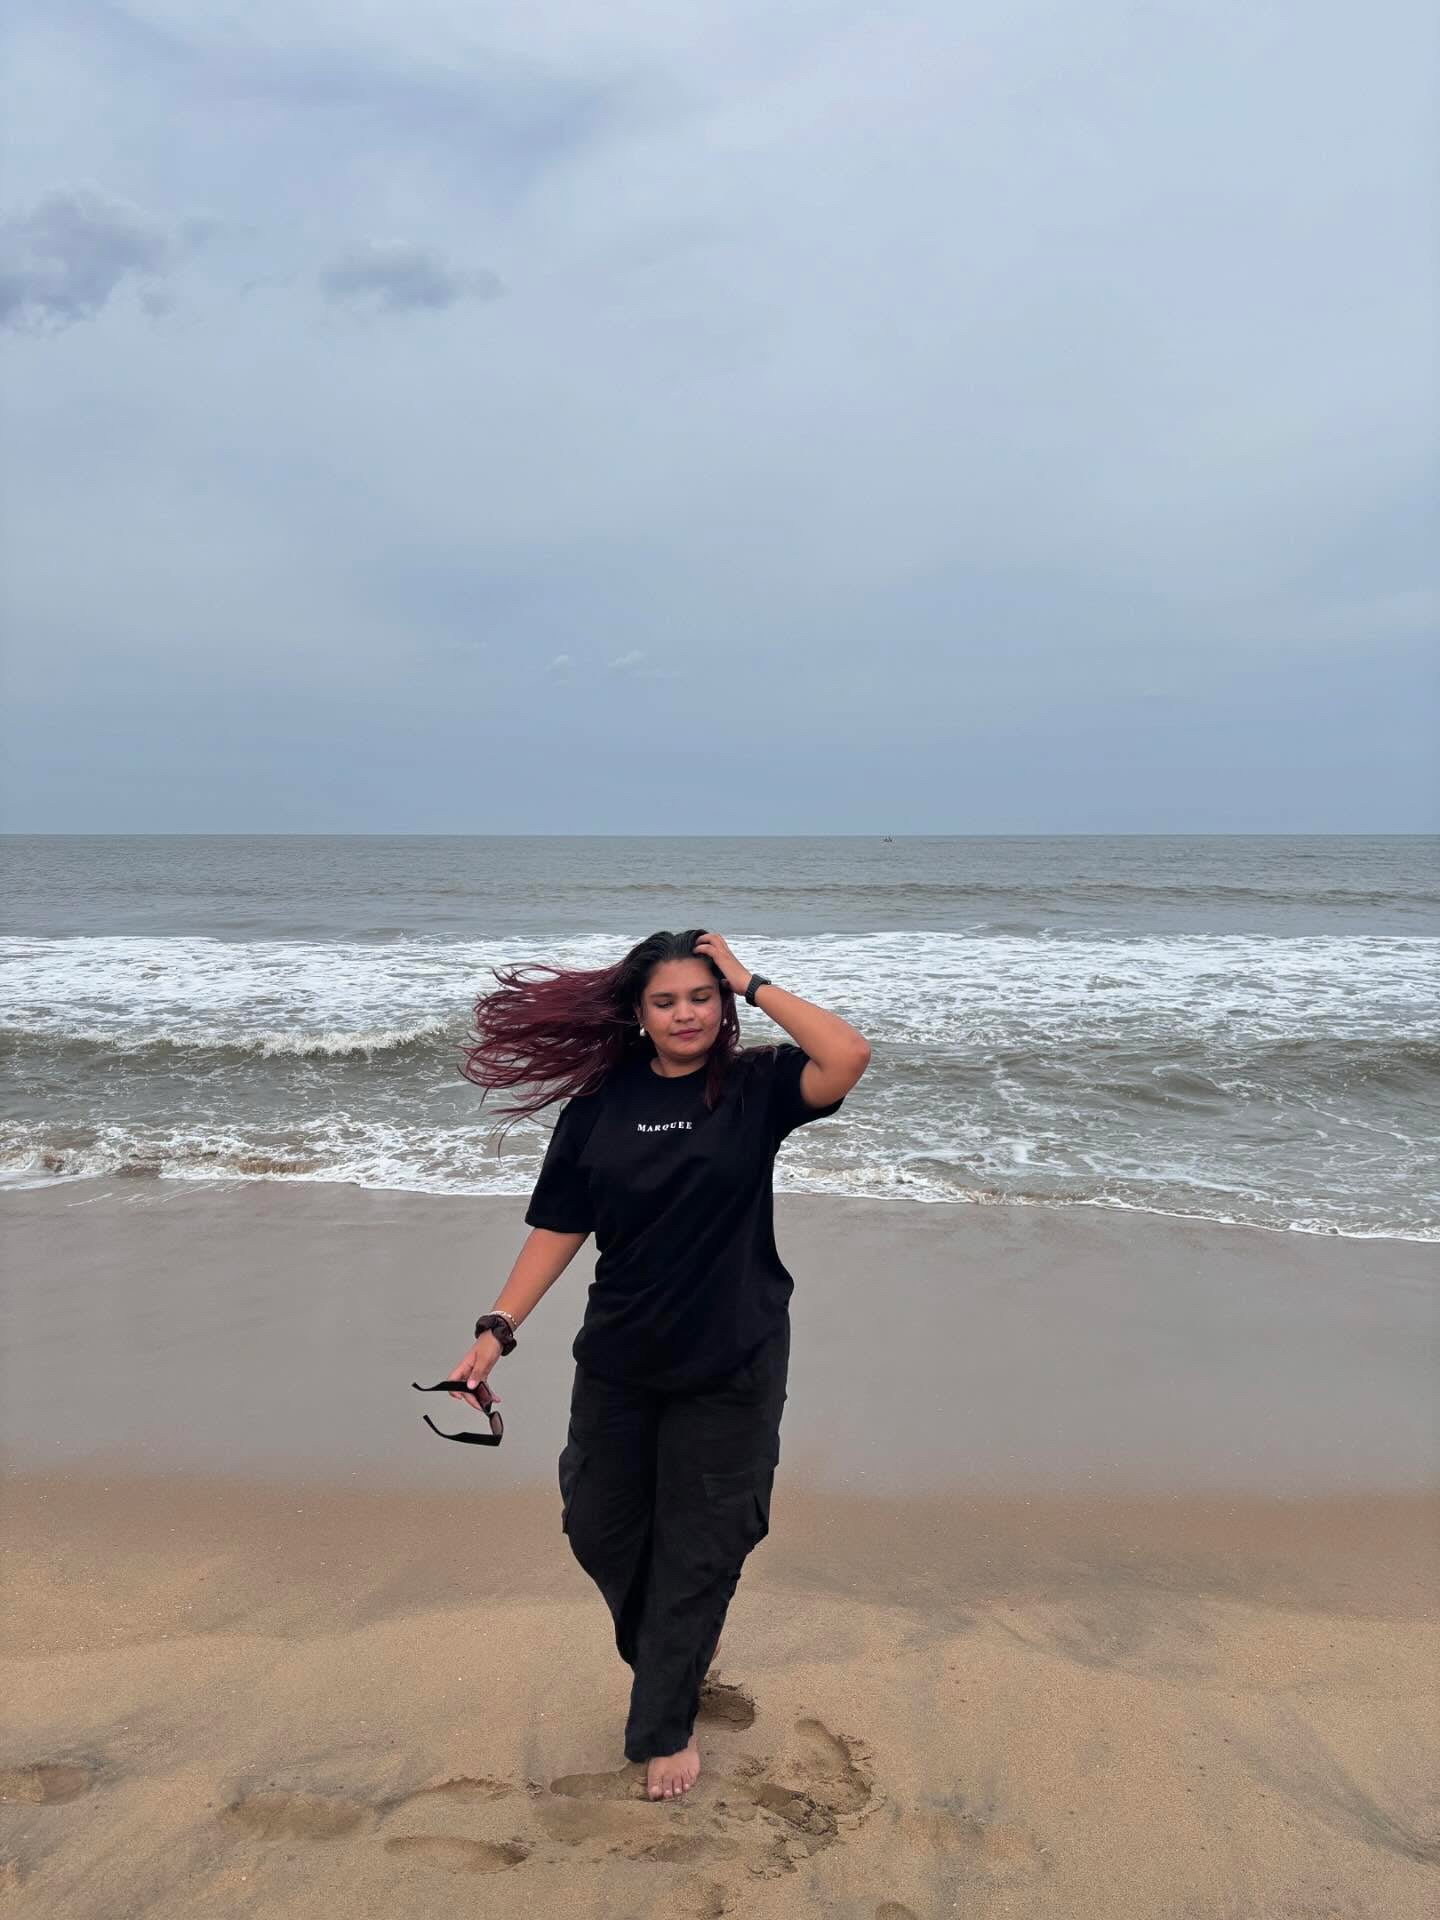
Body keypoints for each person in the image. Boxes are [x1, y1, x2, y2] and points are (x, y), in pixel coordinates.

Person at [447, 928, 870, 1801]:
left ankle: (665, 1725)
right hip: (622, 1356)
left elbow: (847, 1055)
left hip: (733, 1356)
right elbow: (561, 1226)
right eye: (667, 1001)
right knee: (596, 1523)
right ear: (639, 1014)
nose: (686, 1014)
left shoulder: (755, 1088)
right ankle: (677, 1655)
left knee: (702, 1538)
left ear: (722, 1006)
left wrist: (750, 980)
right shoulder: (599, 1108)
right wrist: (497, 1328)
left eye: (701, 997)